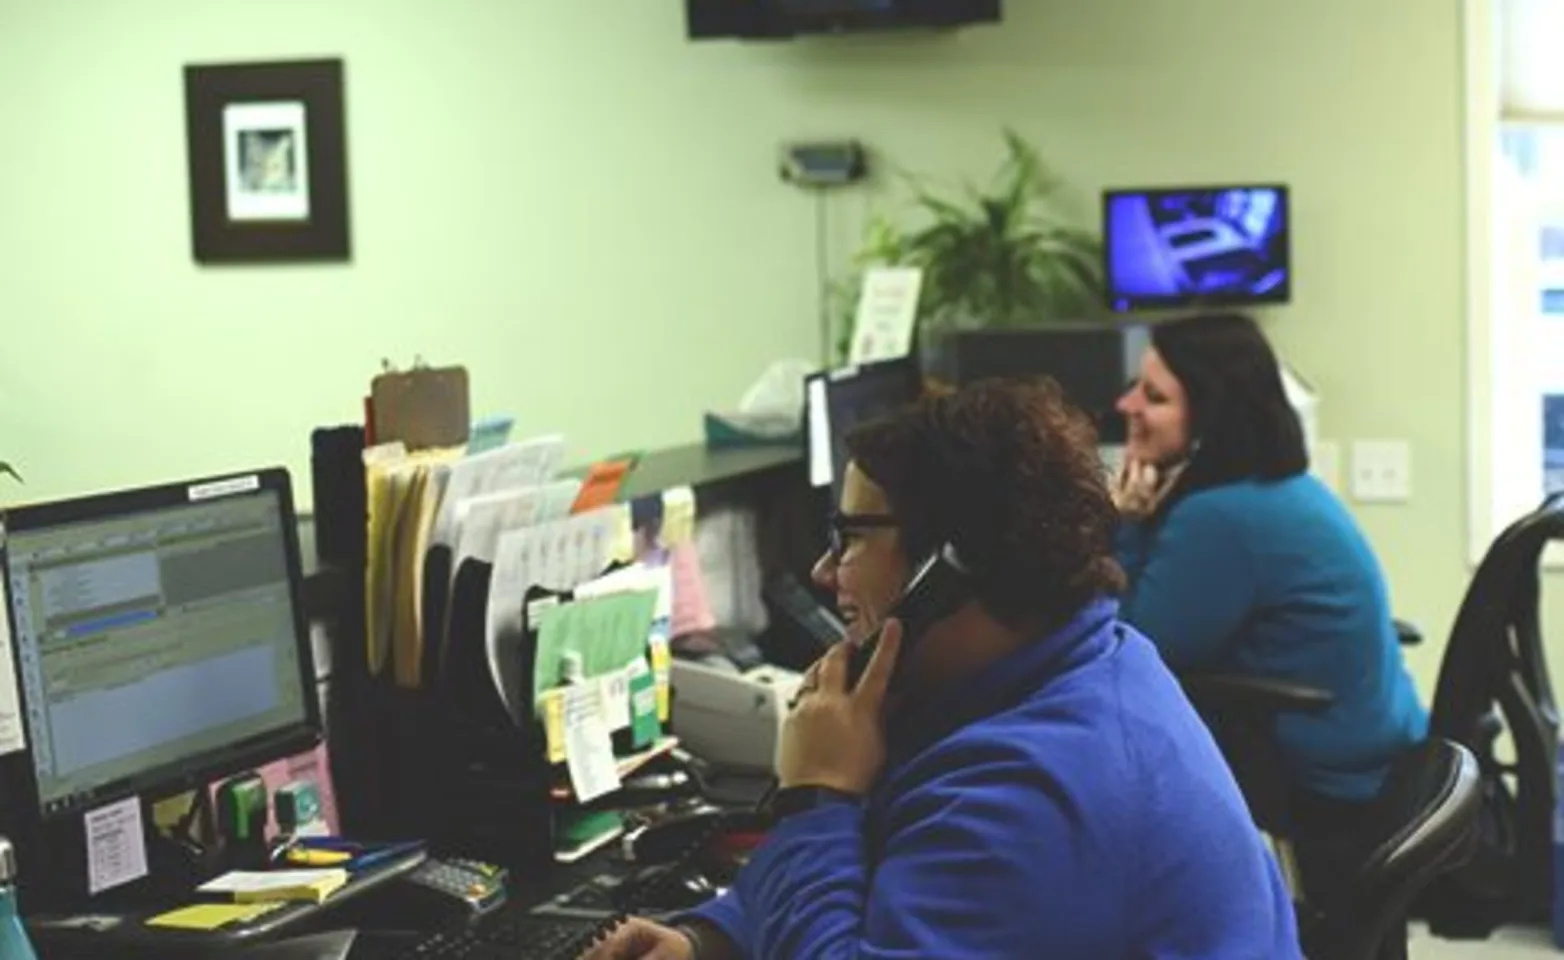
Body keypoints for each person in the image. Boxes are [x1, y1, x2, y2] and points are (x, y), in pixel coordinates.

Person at [587, 379, 1300, 960]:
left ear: (948, 571)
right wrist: (713, 939)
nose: (823, 570)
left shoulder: (1038, 782)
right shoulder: (1050, 675)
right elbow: (884, 870)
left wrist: (815, 799)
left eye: (850, 538)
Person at [1111, 311, 1429, 901]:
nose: (1126, 403)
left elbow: (1133, 652)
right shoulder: (1279, 487)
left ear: (1209, 415)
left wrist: (1125, 525)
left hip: (1324, 774)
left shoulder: (1221, 517)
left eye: (1152, 395)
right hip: (1375, 745)